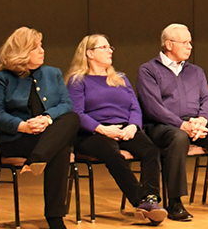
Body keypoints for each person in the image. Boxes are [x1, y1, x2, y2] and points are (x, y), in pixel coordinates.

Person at [138, 24, 208, 219]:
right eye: (185, 42)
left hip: (195, 123)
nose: (190, 46)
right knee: (179, 138)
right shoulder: (149, 70)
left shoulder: (195, 71)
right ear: (169, 44)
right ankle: (175, 202)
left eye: (190, 42)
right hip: (163, 126)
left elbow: (207, 99)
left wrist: (201, 120)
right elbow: (152, 107)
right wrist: (182, 125)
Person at [66, 34, 167, 224]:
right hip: (92, 133)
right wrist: (102, 129)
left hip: (123, 128)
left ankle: (151, 198)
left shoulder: (120, 78)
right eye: (103, 47)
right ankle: (141, 201)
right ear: (90, 53)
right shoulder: (78, 80)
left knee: (151, 150)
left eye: (110, 47)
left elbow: (135, 107)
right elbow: (76, 114)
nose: (110, 50)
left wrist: (133, 126)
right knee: (112, 153)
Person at [0, 27, 81, 229]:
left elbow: (66, 104)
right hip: (17, 140)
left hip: (46, 136)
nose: (42, 51)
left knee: (72, 118)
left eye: (41, 46)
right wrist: (22, 126)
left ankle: (39, 158)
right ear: (21, 52)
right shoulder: (2, 78)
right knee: (60, 149)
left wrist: (47, 119)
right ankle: (55, 220)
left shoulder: (53, 73)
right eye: (35, 48)